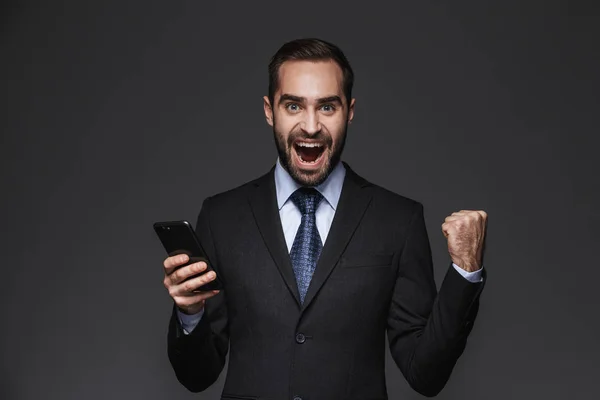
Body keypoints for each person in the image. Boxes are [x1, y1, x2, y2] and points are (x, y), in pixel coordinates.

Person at [162, 38, 487, 399]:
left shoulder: (398, 220)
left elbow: (425, 374)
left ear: (349, 111)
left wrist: (465, 272)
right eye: (293, 106)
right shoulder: (222, 217)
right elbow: (198, 376)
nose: (311, 126)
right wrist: (190, 313)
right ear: (270, 111)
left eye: (327, 107)